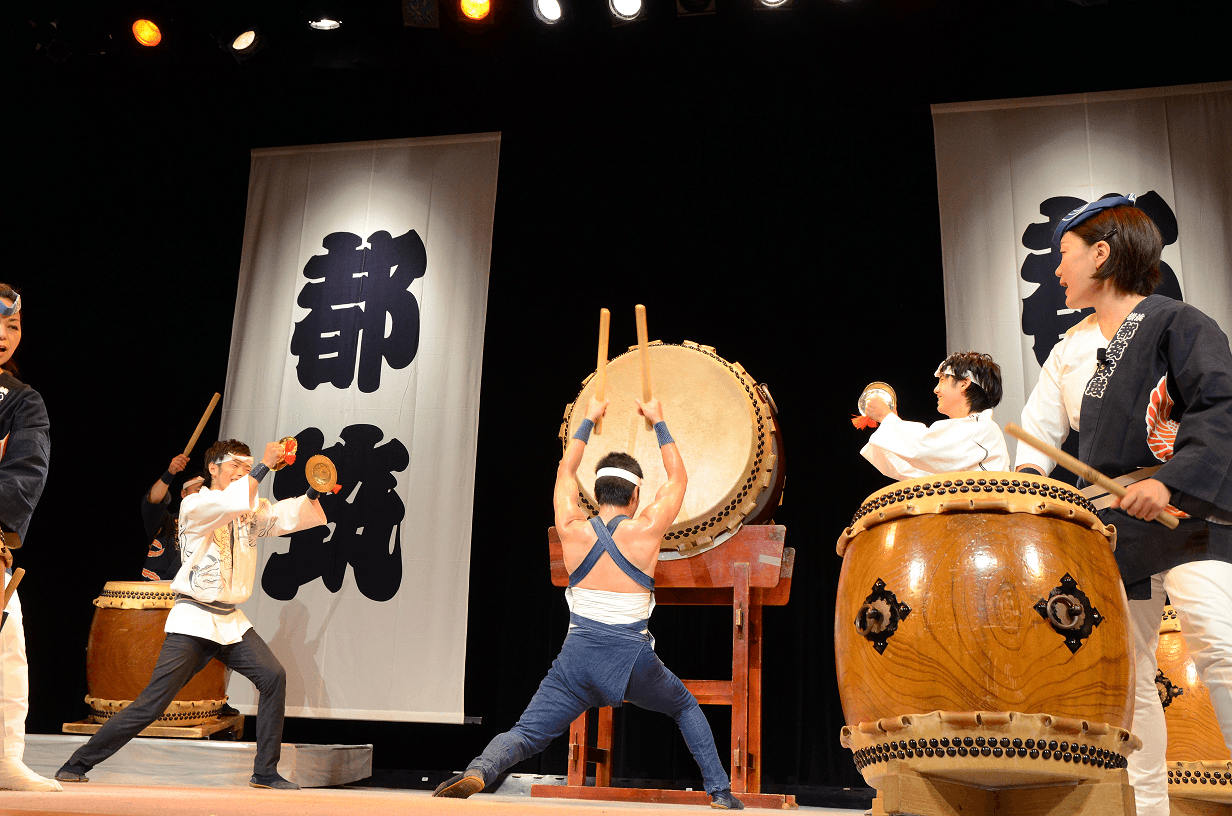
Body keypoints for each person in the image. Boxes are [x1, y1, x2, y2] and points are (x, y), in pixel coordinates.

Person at [1014, 194, 1232, 816]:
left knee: (1218, 647)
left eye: (1065, 255)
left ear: (1101, 254)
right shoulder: (1070, 348)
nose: (1057, 270)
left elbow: (1220, 408)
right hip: (1116, 529)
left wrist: (1169, 480)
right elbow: (1039, 431)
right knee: (1133, 681)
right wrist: (1030, 479)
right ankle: (1150, 808)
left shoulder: (1179, 323)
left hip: (1188, 513)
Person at [433, 396, 743, 809]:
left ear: (596, 496)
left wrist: (588, 420)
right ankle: (720, 792)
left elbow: (565, 470)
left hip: (576, 660)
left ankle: (479, 771)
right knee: (684, 705)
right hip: (631, 661)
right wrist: (659, 422)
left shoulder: (572, 527)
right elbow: (678, 479)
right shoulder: (645, 530)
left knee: (526, 733)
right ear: (635, 496)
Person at [56, 438, 329, 790]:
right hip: (195, 619)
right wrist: (262, 465)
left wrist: (314, 490)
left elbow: (282, 517)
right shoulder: (195, 504)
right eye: (236, 465)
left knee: (273, 676)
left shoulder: (247, 508)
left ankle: (264, 772)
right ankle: (77, 763)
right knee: (153, 703)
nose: (242, 472)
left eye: (246, 468)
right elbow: (227, 504)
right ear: (213, 468)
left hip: (230, 622)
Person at [0, 284, 62, 792]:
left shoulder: (22, 402)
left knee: (7, 651)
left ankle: (4, 758)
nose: (4, 335)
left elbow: (24, 472)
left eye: (14, 325)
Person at [860, 351, 1010, 478]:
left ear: (964, 383)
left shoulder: (981, 428)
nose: (936, 389)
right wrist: (891, 424)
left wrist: (887, 419)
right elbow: (915, 470)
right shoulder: (974, 430)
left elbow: (923, 448)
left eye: (942, 380)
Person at [140, 454, 204, 581]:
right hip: (157, 595)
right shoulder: (166, 522)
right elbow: (153, 502)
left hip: (195, 595)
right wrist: (170, 473)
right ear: (183, 493)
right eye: (198, 490)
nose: (202, 495)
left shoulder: (214, 528)